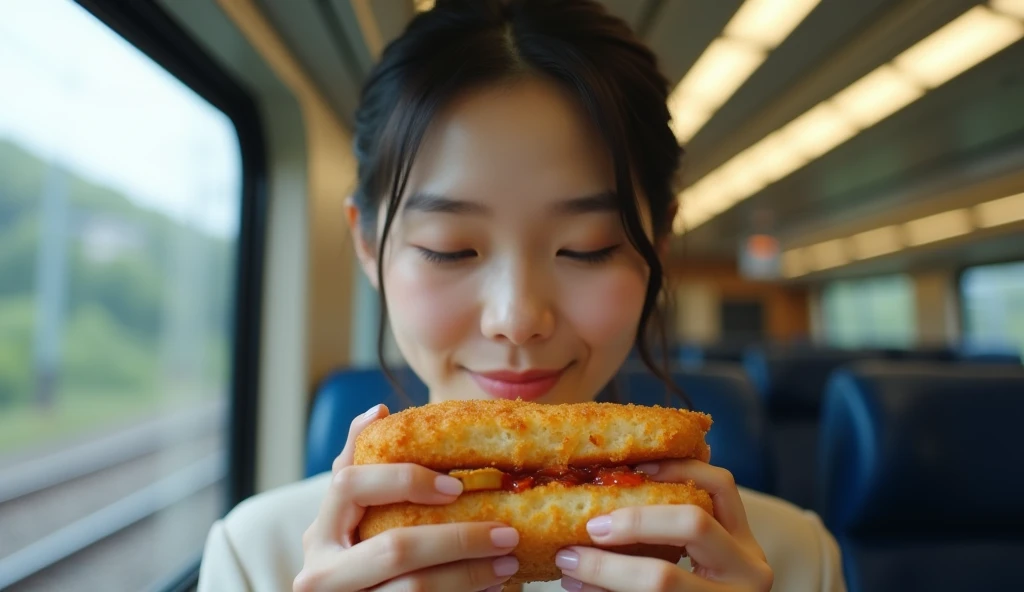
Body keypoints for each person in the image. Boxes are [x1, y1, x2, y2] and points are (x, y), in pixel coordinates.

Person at [198, 1, 845, 590]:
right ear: (369, 246)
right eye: (451, 248)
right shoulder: (257, 559)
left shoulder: (793, 561)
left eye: (589, 246)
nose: (516, 318)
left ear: (660, 247)